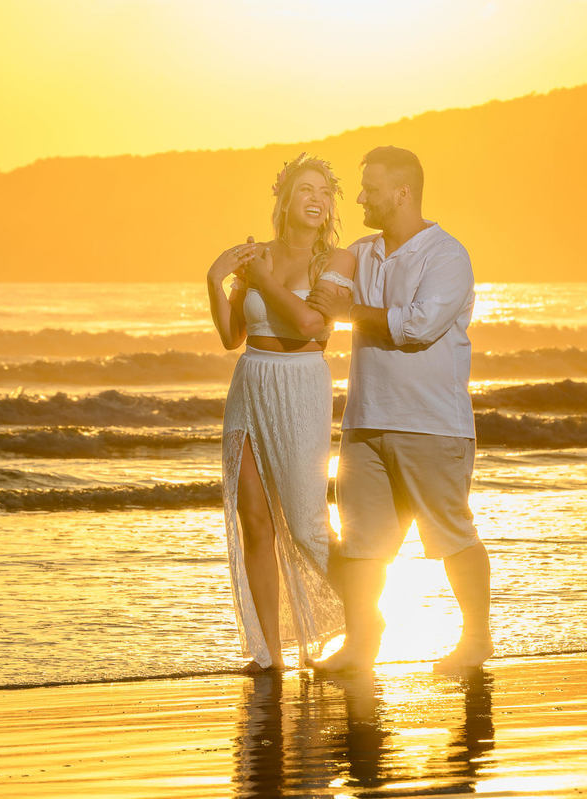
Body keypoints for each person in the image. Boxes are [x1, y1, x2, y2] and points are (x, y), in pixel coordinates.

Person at [310, 146, 493, 673]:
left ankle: (476, 639)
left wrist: (349, 312)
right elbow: (316, 297)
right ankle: (362, 644)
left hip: (431, 423)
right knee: (362, 542)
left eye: (370, 187)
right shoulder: (361, 252)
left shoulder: (446, 254)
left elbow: (418, 327)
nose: (361, 196)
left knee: (451, 533)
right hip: (365, 421)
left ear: (403, 192)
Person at [206, 153, 356, 672]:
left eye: (324, 192)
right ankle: (268, 653)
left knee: (308, 523)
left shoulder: (334, 262)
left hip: (301, 384)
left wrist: (264, 281)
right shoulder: (256, 256)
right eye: (305, 190)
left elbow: (314, 327)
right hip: (250, 382)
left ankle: (367, 620)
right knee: (255, 521)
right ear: (285, 200)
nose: (316, 199)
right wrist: (215, 281)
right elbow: (232, 338)